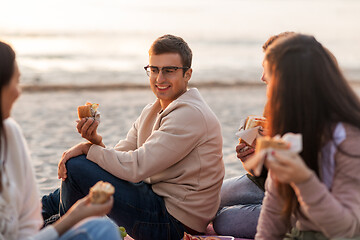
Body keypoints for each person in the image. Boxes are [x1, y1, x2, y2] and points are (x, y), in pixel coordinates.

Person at [42, 34, 225, 240]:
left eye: (169, 70)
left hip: (173, 224)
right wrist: (94, 141)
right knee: (74, 176)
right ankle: (34, 222)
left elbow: (136, 167)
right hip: (155, 202)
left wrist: (86, 150)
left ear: (187, 74)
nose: (160, 78)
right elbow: (119, 158)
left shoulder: (190, 114)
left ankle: (61, 232)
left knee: (77, 167)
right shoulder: (152, 110)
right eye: (154, 70)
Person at [0, 41, 121, 239]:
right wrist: (73, 217)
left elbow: (28, 226)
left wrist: (92, 143)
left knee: (102, 228)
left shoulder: (10, 132)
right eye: (13, 82)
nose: (18, 92)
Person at [255, 34, 360, 239]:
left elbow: (347, 230)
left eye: (268, 74)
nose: (263, 79)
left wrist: (303, 179)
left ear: (290, 86)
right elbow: (274, 209)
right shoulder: (293, 128)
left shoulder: (348, 137)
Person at [213, 32, 294, 239]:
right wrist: (250, 158)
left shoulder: (314, 113)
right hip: (266, 186)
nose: (262, 77)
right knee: (207, 198)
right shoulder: (272, 106)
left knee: (223, 220)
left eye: (267, 69)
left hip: (295, 201)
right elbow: (263, 172)